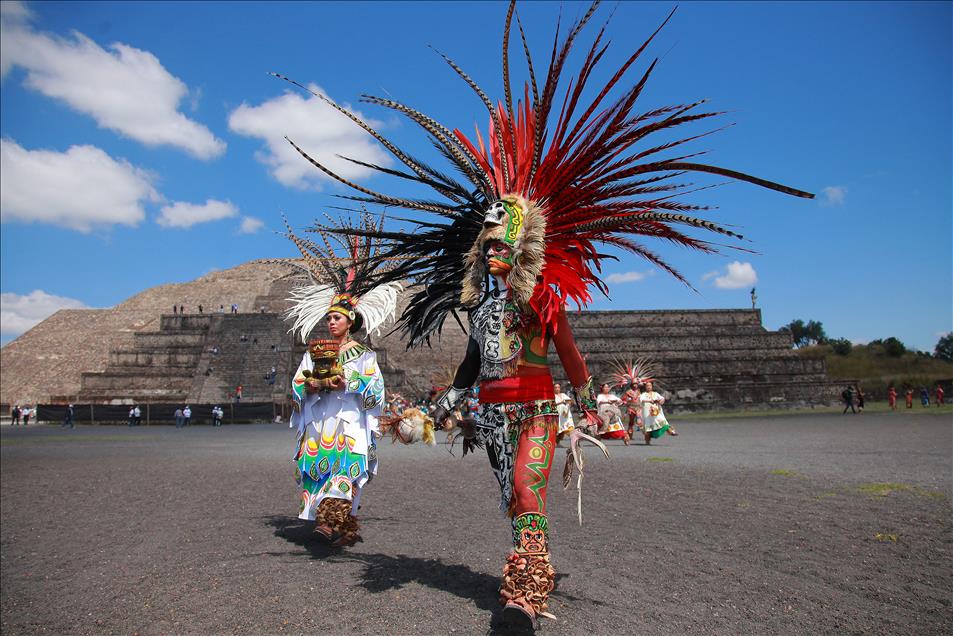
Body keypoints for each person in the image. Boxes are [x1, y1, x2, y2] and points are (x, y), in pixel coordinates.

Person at [283, 2, 812, 624]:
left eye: (506, 242)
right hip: (493, 411)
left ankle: (526, 590)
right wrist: (452, 398)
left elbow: (570, 355)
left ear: (527, 243)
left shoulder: (543, 302)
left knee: (528, 488)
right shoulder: (480, 305)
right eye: (489, 244)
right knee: (513, 498)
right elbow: (476, 360)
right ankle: (534, 556)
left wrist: (586, 398)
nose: (495, 250)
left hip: (536, 409)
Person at [284, 216, 400, 549]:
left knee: (344, 470)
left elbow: (375, 390)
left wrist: (345, 382)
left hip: (348, 423)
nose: (331, 322)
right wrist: (311, 386)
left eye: (336, 317)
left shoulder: (364, 354)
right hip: (320, 421)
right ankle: (340, 524)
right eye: (329, 317)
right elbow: (297, 383)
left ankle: (327, 524)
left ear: (350, 321)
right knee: (319, 468)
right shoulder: (315, 350)